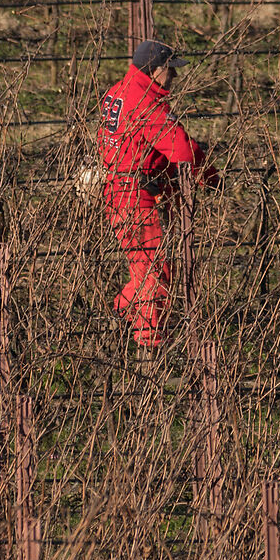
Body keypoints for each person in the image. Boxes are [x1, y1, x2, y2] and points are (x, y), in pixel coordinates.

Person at [96, 40, 211, 348]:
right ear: (154, 71)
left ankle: (118, 318)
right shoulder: (146, 104)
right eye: (170, 70)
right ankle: (149, 342)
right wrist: (209, 175)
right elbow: (182, 150)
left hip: (117, 189)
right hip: (134, 194)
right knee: (154, 272)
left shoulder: (118, 91)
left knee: (145, 269)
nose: (174, 76)